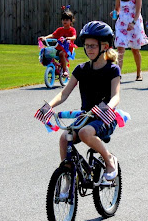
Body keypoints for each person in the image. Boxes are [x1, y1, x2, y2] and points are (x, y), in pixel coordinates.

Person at [35, 21, 121, 183]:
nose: (89, 49)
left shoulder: (112, 69)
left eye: (93, 46)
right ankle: (68, 178)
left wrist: (107, 107)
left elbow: (116, 96)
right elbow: (64, 93)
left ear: (105, 46)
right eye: (86, 46)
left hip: (105, 117)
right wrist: (49, 106)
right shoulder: (81, 69)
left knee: (84, 133)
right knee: (64, 138)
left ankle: (109, 159)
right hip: (86, 116)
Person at [113, 0, 148, 81]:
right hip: (122, 25)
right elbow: (117, 9)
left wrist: (133, 23)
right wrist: (114, 13)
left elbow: (138, 10)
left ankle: (139, 72)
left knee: (135, 50)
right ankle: (118, 74)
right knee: (120, 48)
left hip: (134, 24)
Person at [39, 6, 77, 77]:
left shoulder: (72, 30)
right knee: (47, 52)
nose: (64, 21)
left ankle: (65, 70)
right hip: (58, 48)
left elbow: (74, 37)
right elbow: (53, 35)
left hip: (67, 49)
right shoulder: (60, 29)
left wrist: (68, 38)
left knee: (61, 54)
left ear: (71, 21)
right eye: (63, 20)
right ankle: (52, 66)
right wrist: (45, 37)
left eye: (67, 20)